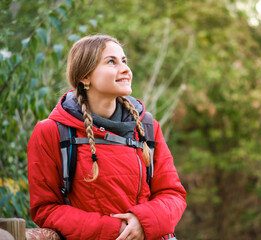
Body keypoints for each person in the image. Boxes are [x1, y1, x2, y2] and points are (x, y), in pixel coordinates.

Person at [27, 34, 187, 240]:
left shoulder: (147, 127)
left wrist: (142, 223)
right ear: (85, 77)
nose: (125, 69)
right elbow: (45, 209)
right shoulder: (52, 132)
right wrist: (115, 229)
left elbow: (173, 194)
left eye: (124, 61)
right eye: (111, 61)